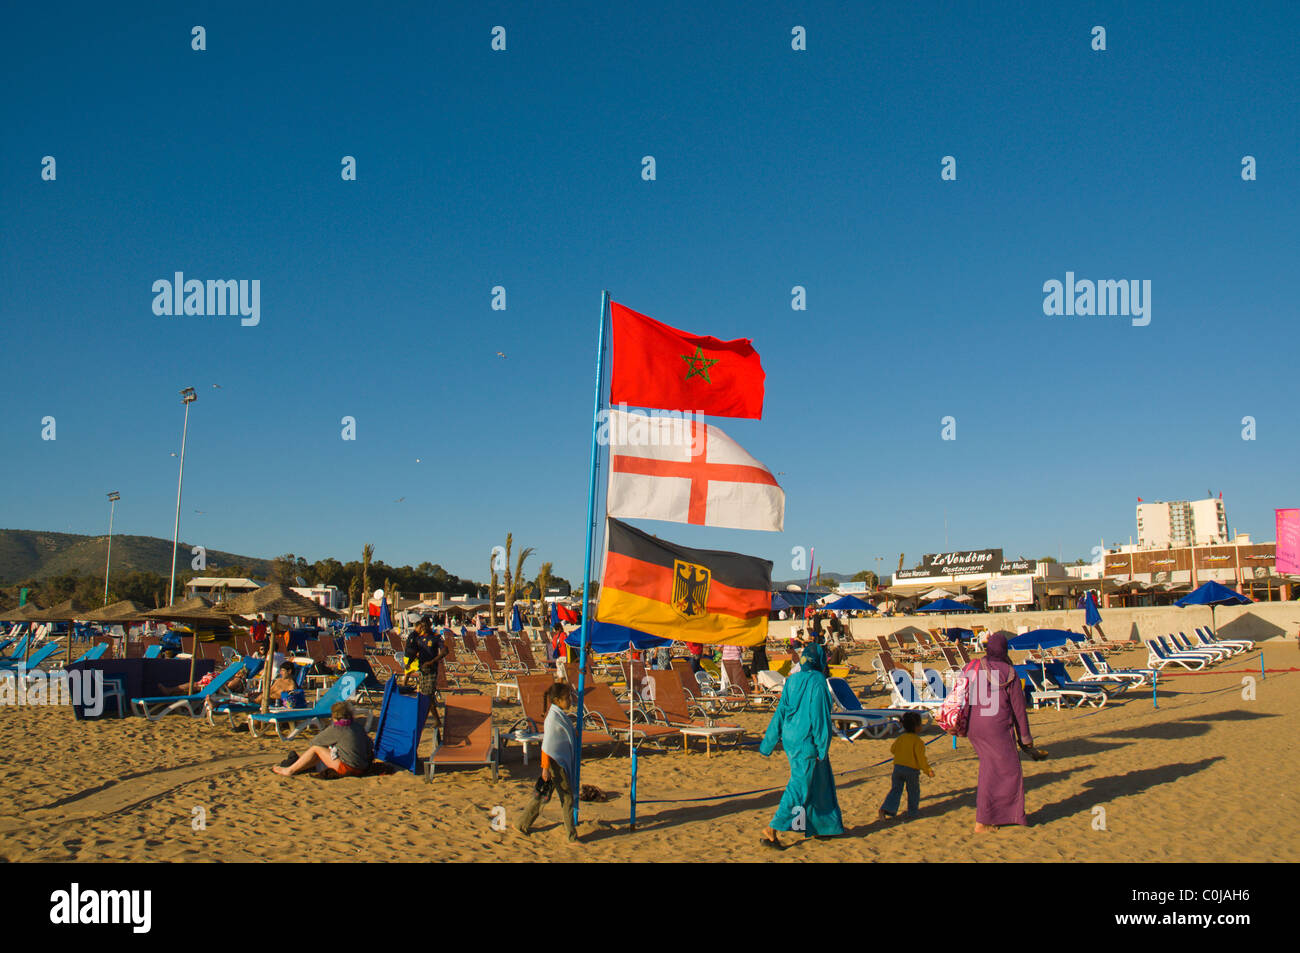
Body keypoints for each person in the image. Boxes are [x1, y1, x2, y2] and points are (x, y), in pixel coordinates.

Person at [758, 643, 844, 847]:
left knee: (819, 782)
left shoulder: (792, 680)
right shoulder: (818, 682)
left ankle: (818, 826)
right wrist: (823, 747)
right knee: (800, 784)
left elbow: (781, 711)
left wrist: (769, 742)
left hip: (791, 738)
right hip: (807, 740)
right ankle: (773, 827)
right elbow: (820, 715)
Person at [966, 632, 1036, 832]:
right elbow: (1018, 708)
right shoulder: (1009, 671)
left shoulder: (974, 667)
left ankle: (996, 816)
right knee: (1007, 771)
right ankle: (987, 819)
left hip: (974, 726)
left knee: (990, 768)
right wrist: (1025, 737)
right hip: (996, 727)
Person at [516, 681, 579, 842]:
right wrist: (545, 768)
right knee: (567, 798)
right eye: (567, 698)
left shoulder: (558, 715)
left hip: (557, 762)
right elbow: (548, 745)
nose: (570, 701)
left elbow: (562, 736)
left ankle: (522, 823)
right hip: (556, 764)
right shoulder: (553, 719)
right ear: (557, 700)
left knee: (543, 794)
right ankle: (571, 835)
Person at [273, 701, 373, 777]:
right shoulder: (357, 726)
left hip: (348, 769)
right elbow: (370, 746)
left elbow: (314, 743)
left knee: (316, 749)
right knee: (322, 751)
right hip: (363, 767)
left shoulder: (338, 728)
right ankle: (298, 767)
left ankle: (290, 770)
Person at [877, 711, 933, 820]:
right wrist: (928, 770)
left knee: (896, 790)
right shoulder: (918, 741)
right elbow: (921, 759)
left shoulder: (901, 738)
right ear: (916, 727)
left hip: (898, 768)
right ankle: (912, 813)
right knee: (913, 792)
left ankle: (885, 809)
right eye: (920, 724)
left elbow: (893, 750)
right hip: (911, 771)